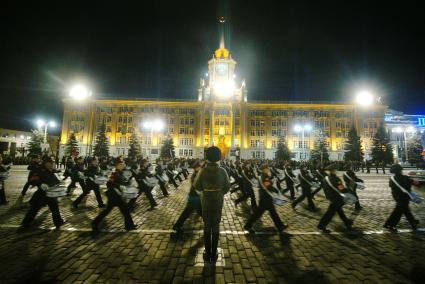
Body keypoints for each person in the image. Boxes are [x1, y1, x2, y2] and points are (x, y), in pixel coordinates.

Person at [194, 146, 230, 263]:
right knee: (216, 224)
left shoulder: (203, 170)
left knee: (207, 224)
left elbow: (197, 186)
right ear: (218, 157)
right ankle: (214, 252)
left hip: (206, 199)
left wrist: (206, 190)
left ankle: (207, 251)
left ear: (207, 157)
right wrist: (219, 193)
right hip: (218, 199)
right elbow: (227, 187)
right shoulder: (222, 171)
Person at [92, 160, 137, 231]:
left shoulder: (121, 173)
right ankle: (94, 223)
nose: (123, 165)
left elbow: (123, 183)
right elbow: (109, 184)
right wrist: (119, 186)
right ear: (117, 166)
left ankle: (129, 225)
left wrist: (129, 182)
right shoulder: (114, 174)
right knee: (107, 211)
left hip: (119, 195)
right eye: (121, 164)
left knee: (125, 210)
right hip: (113, 195)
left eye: (123, 164)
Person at [21, 156, 66, 228]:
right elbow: (32, 179)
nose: (52, 164)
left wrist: (59, 182)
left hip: (51, 193)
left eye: (53, 163)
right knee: (34, 208)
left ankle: (58, 222)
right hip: (41, 194)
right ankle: (25, 222)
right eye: (51, 163)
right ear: (46, 163)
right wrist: (40, 184)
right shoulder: (38, 169)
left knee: (55, 208)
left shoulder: (52, 170)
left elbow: (56, 179)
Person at [244, 164, 286, 233]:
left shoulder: (264, 175)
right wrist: (273, 184)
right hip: (265, 198)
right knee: (258, 214)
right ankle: (248, 225)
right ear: (264, 169)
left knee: (272, 213)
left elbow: (268, 185)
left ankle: (280, 225)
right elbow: (267, 185)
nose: (268, 169)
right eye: (267, 168)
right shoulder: (264, 176)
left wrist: (273, 186)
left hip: (266, 197)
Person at [317, 164, 353, 233]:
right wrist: (349, 189)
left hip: (331, 198)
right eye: (335, 170)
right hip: (337, 198)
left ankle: (347, 222)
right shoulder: (336, 179)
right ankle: (321, 226)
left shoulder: (325, 178)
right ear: (333, 170)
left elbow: (323, 187)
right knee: (330, 213)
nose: (336, 171)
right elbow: (341, 189)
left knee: (339, 211)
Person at [384, 164, 420, 232]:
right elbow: (417, 184)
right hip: (404, 196)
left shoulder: (392, 179)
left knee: (405, 210)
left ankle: (413, 222)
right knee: (398, 211)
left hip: (396, 196)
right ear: (400, 170)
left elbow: (391, 186)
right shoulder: (405, 178)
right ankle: (390, 224)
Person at [173, 160, 204, 233]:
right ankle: (177, 225)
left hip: (195, 197)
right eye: (200, 166)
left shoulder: (198, 174)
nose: (202, 168)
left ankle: (177, 225)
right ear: (196, 167)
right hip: (194, 197)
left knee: (195, 211)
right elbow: (197, 187)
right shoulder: (196, 175)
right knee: (190, 212)